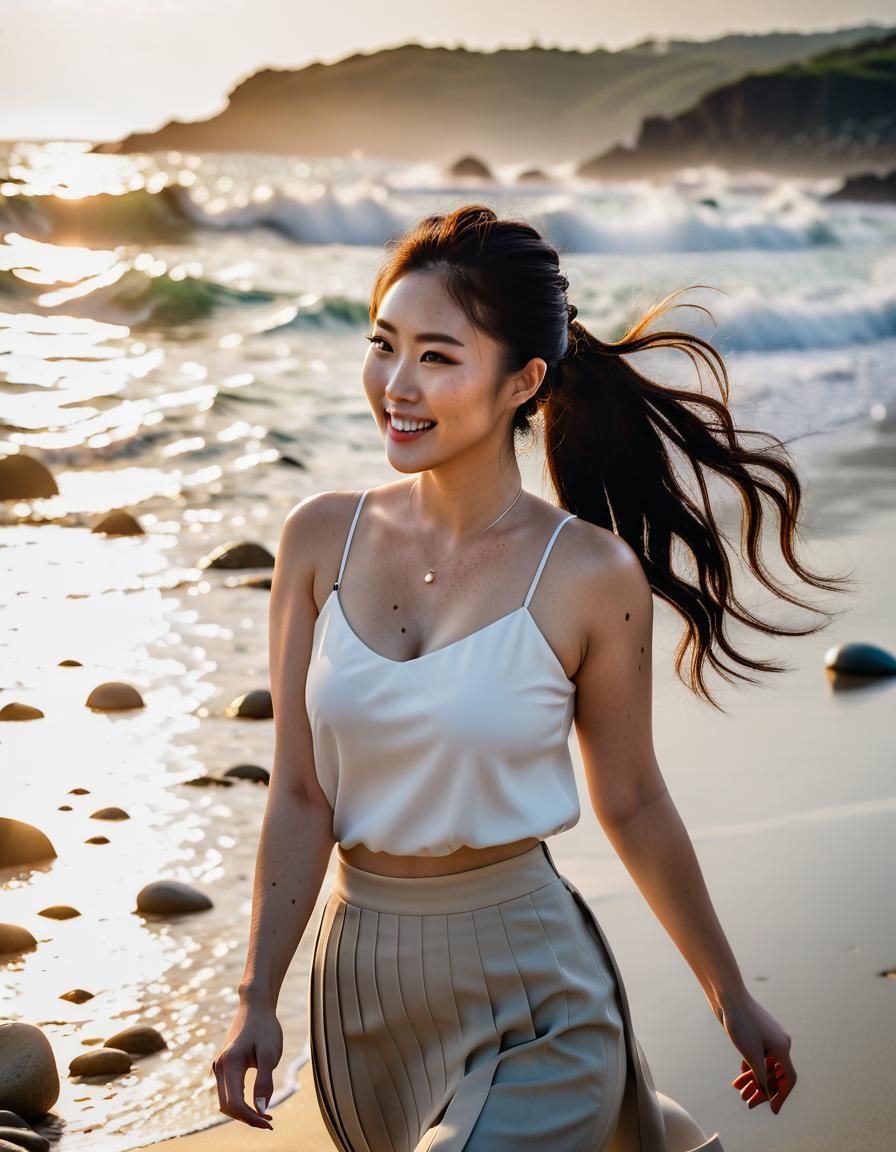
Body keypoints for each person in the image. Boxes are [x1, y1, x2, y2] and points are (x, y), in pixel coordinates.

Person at [212, 204, 849, 1150]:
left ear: (526, 380)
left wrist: (731, 995)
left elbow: (631, 801)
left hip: (532, 988)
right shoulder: (317, 539)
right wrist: (257, 993)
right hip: (358, 1000)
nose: (397, 383)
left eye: (438, 355)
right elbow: (300, 793)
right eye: (384, 344)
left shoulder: (591, 576)